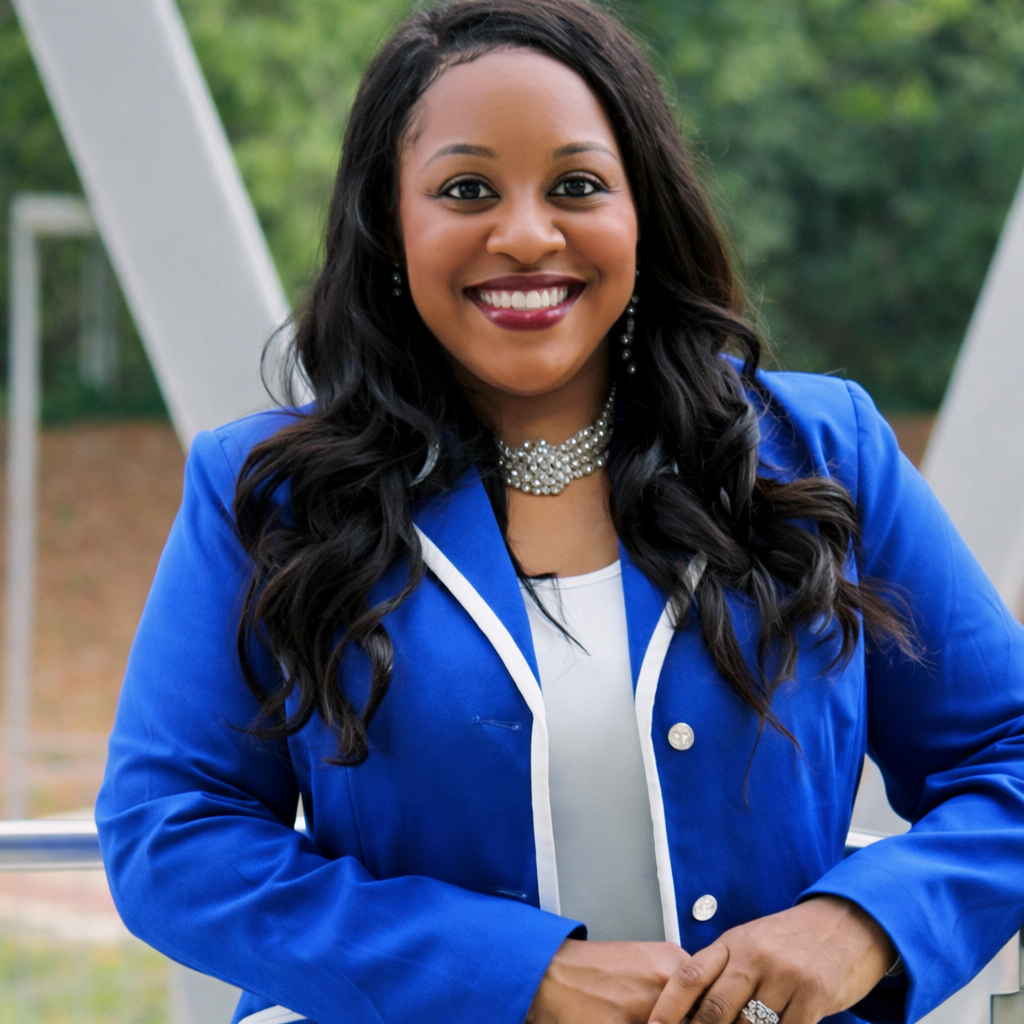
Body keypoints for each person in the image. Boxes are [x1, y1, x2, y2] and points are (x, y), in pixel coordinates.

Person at [95, 2, 1024, 1022]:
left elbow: (1009, 753)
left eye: (577, 186)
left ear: (643, 212)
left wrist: (863, 924)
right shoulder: (266, 491)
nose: (528, 235)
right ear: (390, 224)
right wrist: (514, 975)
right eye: (466, 190)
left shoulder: (821, 451)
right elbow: (172, 835)